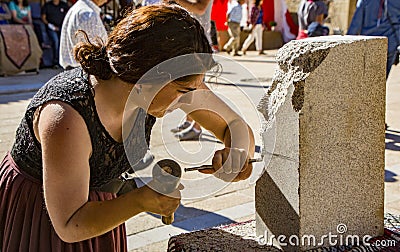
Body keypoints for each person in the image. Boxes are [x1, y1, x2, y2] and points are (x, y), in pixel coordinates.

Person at [0, 4, 255, 251]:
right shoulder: (66, 118)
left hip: (102, 214)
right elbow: (69, 224)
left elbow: (236, 128)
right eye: (184, 91)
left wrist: (237, 155)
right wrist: (141, 200)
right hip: (41, 216)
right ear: (150, 76)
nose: (187, 101)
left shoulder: (163, 86)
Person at [347, 0, 400, 79]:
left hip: (368, 45)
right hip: (390, 45)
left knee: (366, 79)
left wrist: (347, 46)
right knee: (381, 81)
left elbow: (355, 25)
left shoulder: (364, 1)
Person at [59, 0, 107, 70]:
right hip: (84, 71)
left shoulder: (79, 8)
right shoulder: (88, 14)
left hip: (76, 70)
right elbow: (95, 54)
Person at [41, 0, 69, 68]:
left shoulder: (64, 5)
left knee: (64, 42)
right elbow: (43, 17)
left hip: (62, 27)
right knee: (56, 41)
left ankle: (64, 62)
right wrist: (50, 25)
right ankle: (56, 62)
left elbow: (68, 14)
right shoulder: (47, 5)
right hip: (51, 27)